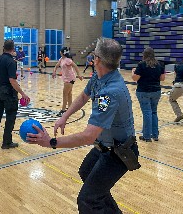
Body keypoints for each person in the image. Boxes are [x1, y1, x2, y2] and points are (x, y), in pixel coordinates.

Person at [27, 37, 140, 214]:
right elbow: (82, 97)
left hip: (119, 152)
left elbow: (88, 136)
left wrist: (51, 142)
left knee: (87, 200)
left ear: (97, 59)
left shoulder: (110, 93)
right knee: (86, 172)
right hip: (104, 147)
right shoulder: (99, 76)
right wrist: (64, 116)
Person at [0, 40, 30, 149]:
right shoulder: (12, 62)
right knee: (10, 116)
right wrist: (23, 94)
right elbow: (12, 80)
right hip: (8, 92)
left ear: (4, 48)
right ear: (13, 49)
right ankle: (6, 142)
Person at [131, 47, 165, 142]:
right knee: (154, 112)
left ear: (144, 55)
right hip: (156, 91)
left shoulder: (141, 64)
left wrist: (133, 71)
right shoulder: (159, 64)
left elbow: (135, 78)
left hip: (144, 91)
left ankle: (146, 136)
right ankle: (155, 135)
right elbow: (162, 78)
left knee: (147, 113)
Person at [52, 47, 83, 117]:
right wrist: (54, 72)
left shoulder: (68, 60)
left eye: (60, 51)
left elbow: (76, 67)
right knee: (69, 94)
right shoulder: (61, 59)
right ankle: (70, 109)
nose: (59, 52)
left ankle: (63, 110)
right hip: (66, 78)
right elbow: (56, 66)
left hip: (70, 78)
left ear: (62, 52)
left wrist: (79, 75)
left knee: (65, 94)